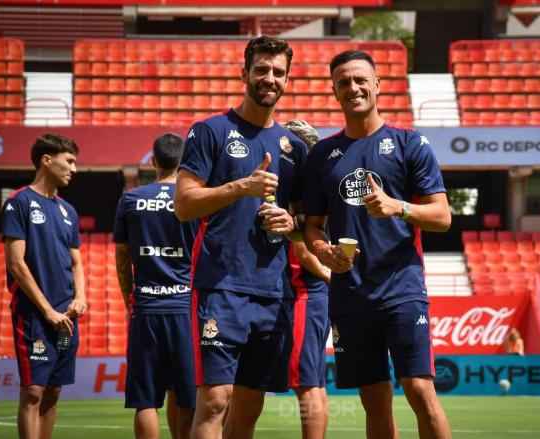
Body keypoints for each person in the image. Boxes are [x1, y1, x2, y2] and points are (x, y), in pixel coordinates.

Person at [302, 50, 453, 439]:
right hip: (350, 297)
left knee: (420, 390)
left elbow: (442, 216)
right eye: (343, 82)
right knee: (373, 396)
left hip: (401, 290)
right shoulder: (321, 156)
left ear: (377, 85)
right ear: (334, 91)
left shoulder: (409, 143)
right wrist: (324, 252)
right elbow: (313, 229)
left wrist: (397, 207)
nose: (353, 87)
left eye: (360, 79)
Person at [173, 36, 307, 439]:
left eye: (278, 72)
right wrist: (240, 187)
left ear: (287, 79)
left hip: (272, 290)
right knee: (214, 399)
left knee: (250, 404)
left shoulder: (294, 147)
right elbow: (184, 203)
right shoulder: (210, 131)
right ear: (244, 73)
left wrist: (290, 222)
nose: (270, 78)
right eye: (262, 69)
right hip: (221, 284)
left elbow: (303, 222)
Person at [113, 133, 198, 439]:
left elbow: (122, 257)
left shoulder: (131, 199)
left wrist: (128, 301)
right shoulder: (195, 200)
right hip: (185, 310)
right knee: (188, 398)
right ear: (185, 162)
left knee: (146, 401)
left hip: (146, 308)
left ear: (153, 162)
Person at [1, 134, 86, 439]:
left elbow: (76, 262)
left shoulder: (68, 211)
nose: (74, 169)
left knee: (53, 391)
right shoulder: (19, 203)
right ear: (47, 161)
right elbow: (16, 264)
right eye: (70, 161)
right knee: (34, 391)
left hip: (67, 318)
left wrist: (81, 296)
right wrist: (48, 311)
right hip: (35, 316)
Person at [284, 120, 330, 439]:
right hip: (316, 296)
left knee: (306, 385)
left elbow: (303, 251)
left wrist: (330, 277)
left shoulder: (301, 189)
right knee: (315, 383)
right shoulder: (320, 184)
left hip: (305, 294)